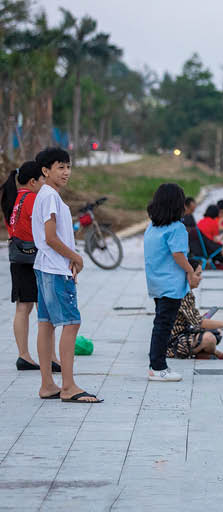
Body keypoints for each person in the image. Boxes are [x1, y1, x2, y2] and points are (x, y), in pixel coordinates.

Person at [30, 147, 100, 403]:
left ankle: (48, 384)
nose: (66, 172)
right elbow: (50, 238)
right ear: (46, 171)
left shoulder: (47, 195)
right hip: (54, 268)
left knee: (46, 325)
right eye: (60, 167)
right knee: (71, 324)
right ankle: (68, 386)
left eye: (68, 167)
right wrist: (75, 257)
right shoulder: (49, 197)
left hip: (45, 266)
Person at [1, 161, 59, 373]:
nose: (45, 184)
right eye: (43, 179)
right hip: (35, 258)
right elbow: (45, 231)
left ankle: (23, 355)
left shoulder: (12, 198)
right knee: (45, 309)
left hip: (17, 258)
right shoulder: (35, 199)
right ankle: (51, 357)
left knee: (22, 307)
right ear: (34, 181)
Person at [144, 183, 202, 382]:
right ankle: (158, 367)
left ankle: (156, 365)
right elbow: (178, 255)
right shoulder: (177, 228)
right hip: (171, 285)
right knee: (163, 326)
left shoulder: (152, 226)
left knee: (160, 324)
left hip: (156, 283)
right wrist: (190, 272)